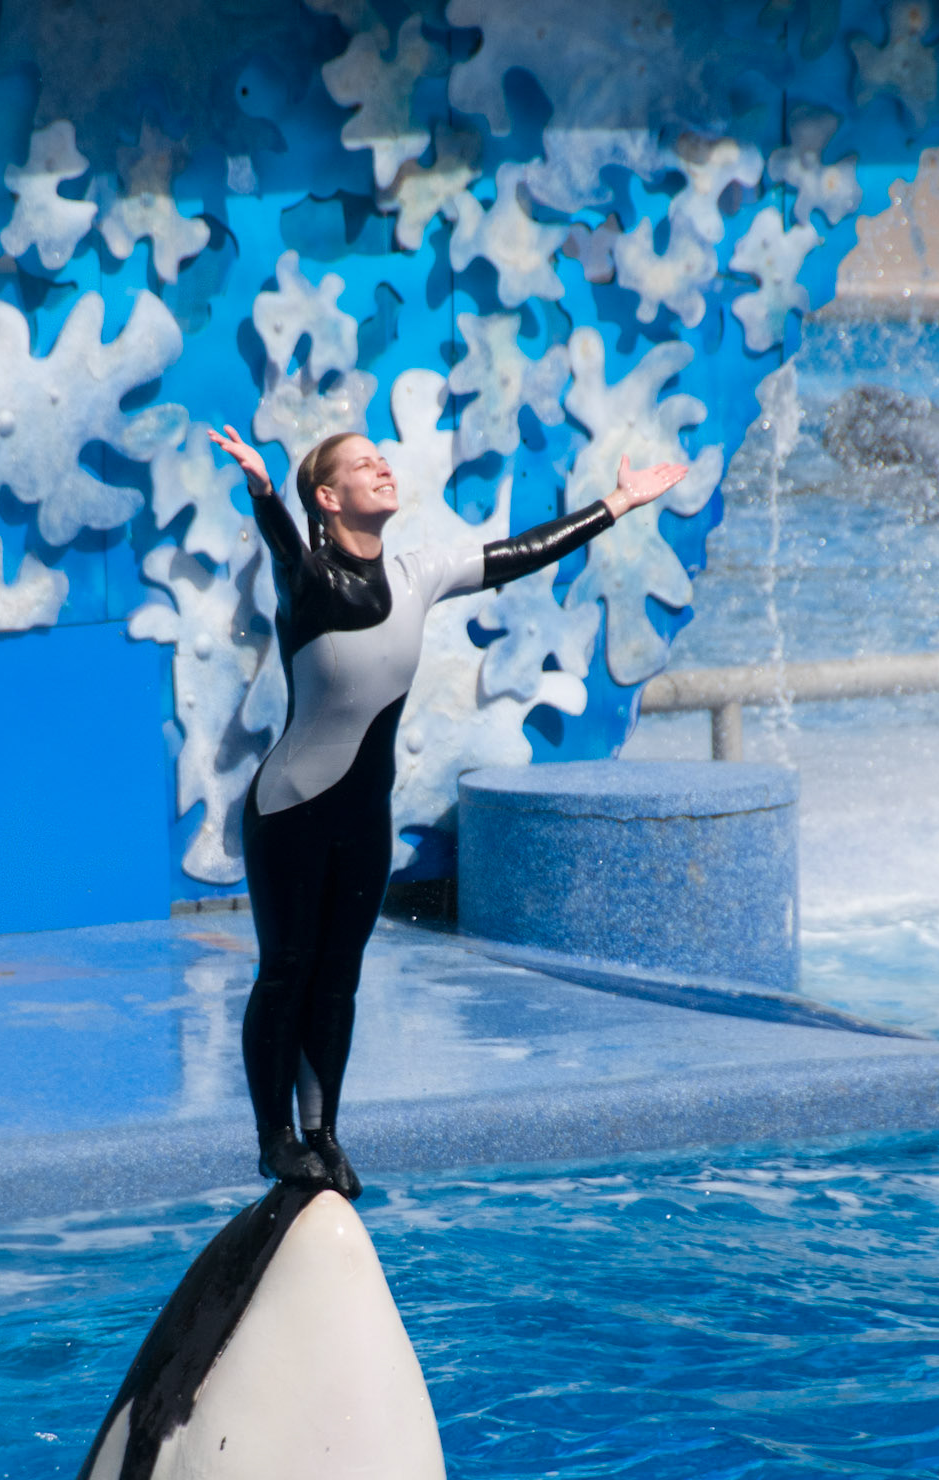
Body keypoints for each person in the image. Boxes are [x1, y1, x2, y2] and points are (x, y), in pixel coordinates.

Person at [206, 419, 688, 1199]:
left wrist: (618, 503)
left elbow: (518, 554)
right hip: (290, 808)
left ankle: (323, 1133)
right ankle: (274, 1141)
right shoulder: (307, 577)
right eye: (362, 465)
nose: (382, 467)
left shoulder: (417, 573)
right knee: (286, 971)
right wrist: (262, 490)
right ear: (328, 498)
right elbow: (282, 539)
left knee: (338, 979)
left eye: (381, 457)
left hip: (362, 817)